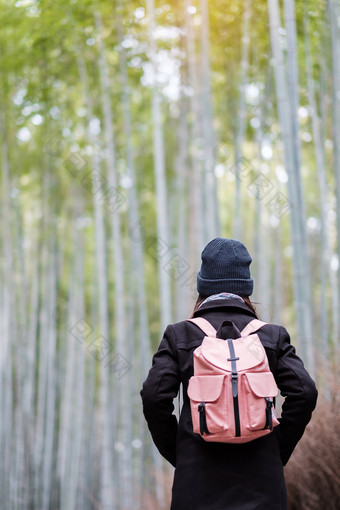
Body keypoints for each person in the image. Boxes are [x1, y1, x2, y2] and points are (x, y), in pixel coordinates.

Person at [140, 237, 318, 510]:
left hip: (196, 488)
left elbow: (154, 397)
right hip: (263, 489)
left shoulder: (181, 334)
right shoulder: (271, 335)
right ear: (246, 286)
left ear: (203, 285)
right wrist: (276, 447)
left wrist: (181, 451)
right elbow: (305, 392)